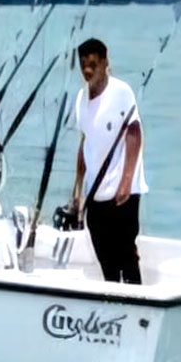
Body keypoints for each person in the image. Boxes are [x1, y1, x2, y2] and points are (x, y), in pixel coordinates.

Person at [70, 38, 146, 284]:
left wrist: (125, 182)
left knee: (126, 254)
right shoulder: (81, 99)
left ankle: (137, 301)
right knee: (106, 259)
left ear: (105, 63)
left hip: (123, 194)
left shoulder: (121, 92)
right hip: (96, 195)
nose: (88, 70)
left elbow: (134, 134)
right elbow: (85, 144)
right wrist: (78, 189)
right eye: (83, 65)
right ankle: (113, 304)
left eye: (93, 64)